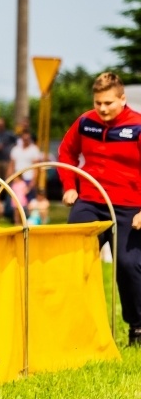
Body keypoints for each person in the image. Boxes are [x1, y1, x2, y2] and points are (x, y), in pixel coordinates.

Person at [58, 72, 141, 345]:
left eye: (108, 103)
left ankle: (137, 328)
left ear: (122, 99)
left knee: (129, 266)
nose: (102, 109)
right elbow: (66, 153)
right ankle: (74, 326)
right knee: (73, 258)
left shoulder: (137, 126)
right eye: (98, 103)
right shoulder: (85, 122)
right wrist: (70, 186)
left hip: (130, 207)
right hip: (91, 200)